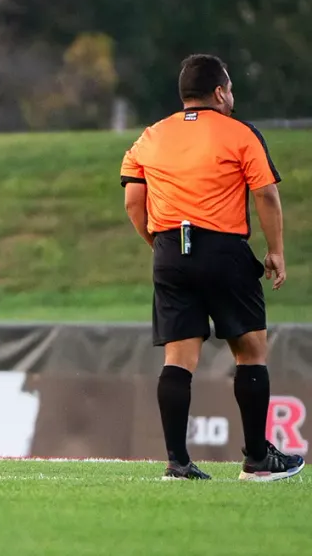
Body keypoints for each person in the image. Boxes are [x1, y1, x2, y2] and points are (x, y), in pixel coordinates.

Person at [120, 53, 303, 481]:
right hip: (223, 250)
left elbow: (133, 200)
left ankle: (177, 462)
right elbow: (266, 195)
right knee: (251, 349)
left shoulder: (151, 136)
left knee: (179, 357)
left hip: (169, 251)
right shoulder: (239, 133)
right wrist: (275, 251)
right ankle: (258, 460)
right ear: (220, 92)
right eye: (231, 88)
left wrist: (157, 244)